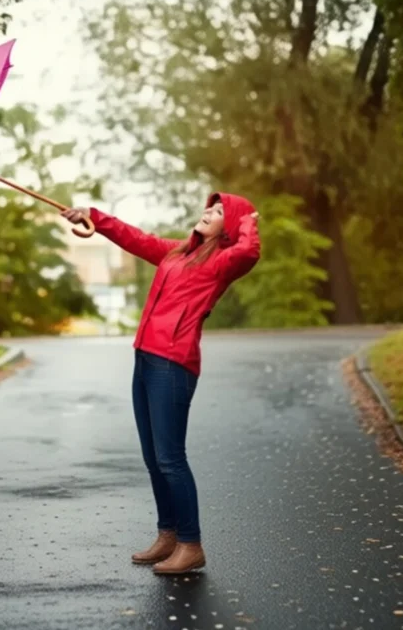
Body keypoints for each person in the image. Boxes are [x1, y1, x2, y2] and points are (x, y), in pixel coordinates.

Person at [60, 193, 261, 575]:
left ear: (230, 227)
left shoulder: (223, 262)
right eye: (209, 207)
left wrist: (248, 219)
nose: (208, 213)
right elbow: (135, 238)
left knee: (171, 458)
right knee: (153, 458)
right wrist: (94, 217)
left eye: (219, 212)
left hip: (174, 364)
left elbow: (250, 251)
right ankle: (168, 535)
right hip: (145, 358)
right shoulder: (176, 253)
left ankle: (191, 544)